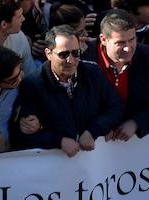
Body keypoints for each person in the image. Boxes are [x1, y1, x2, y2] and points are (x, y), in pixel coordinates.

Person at [14, 25, 123, 155]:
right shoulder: (32, 85)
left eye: (75, 53)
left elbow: (116, 108)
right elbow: (22, 135)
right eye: (63, 54)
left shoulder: (94, 73)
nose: (70, 60)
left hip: (94, 162)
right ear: (48, 54)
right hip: (56, 166)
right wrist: (59, 141)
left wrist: (93, 131)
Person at [95, 10, 149, 140]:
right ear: (103, 39)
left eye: (132, 40)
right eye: (120, 43)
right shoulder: (84, 59)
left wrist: (137, 122)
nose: (128, 48)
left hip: (137, 149)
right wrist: (100, 126)